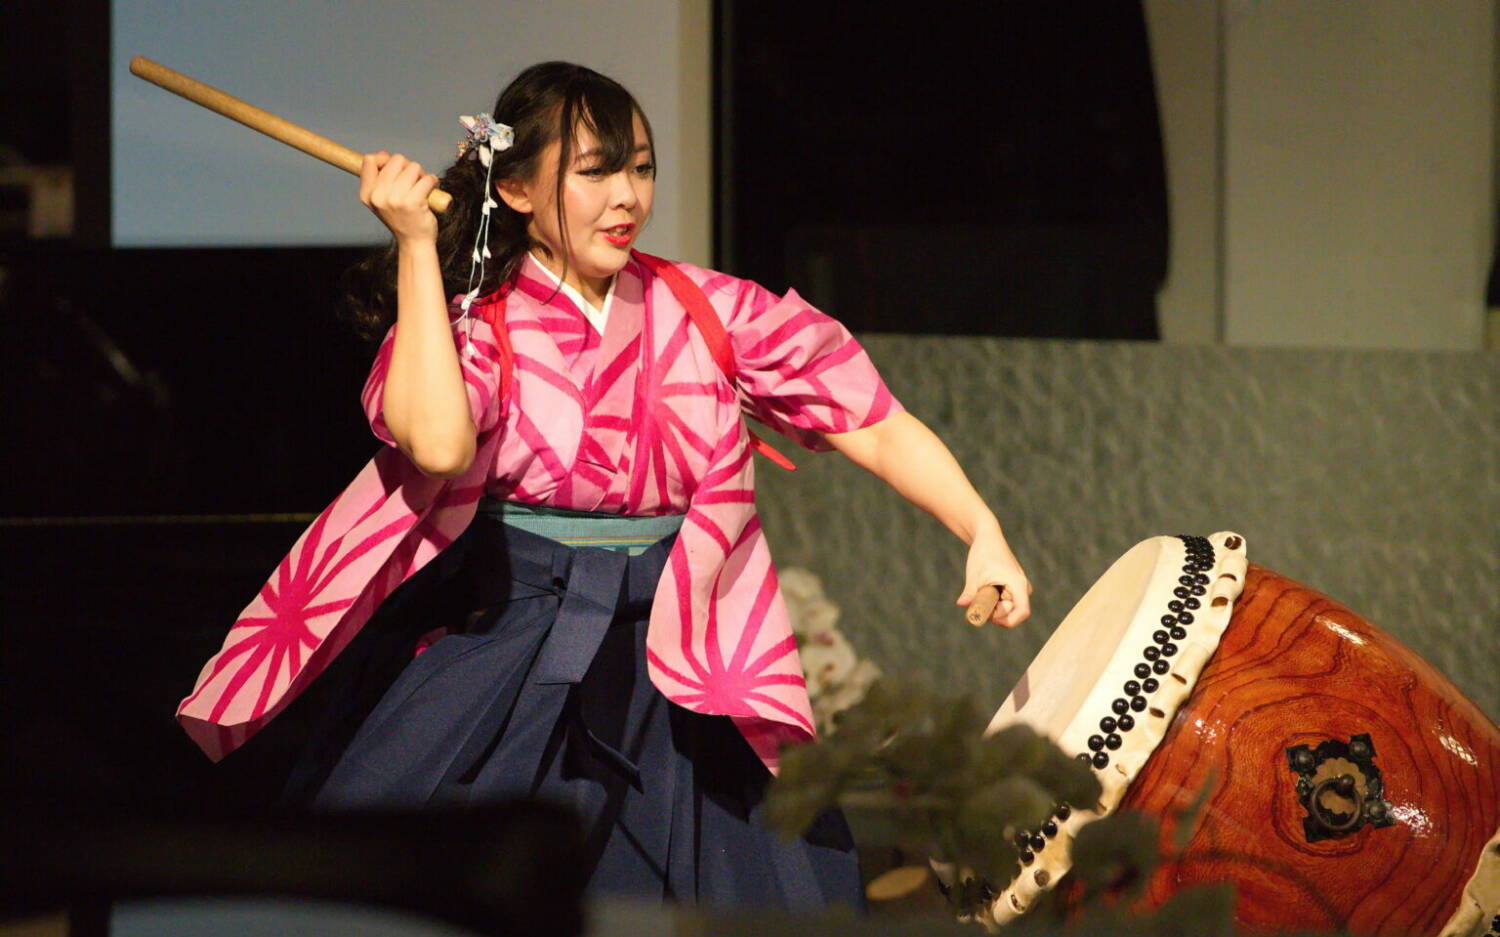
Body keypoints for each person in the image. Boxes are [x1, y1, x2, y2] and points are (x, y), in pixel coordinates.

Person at [178, 61, 1031, 912]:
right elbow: (436, 444)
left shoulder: (706, 309)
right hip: (514, 639)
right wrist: (413, 248)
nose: (628, 195)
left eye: (642, 167)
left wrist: (979, 526)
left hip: (683, 652)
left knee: (767, 897)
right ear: (513, 187)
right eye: (596, 171)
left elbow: (868, 418)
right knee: (424, 890)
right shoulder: (478, 324)